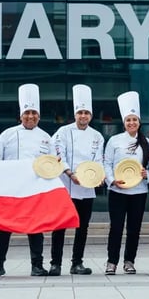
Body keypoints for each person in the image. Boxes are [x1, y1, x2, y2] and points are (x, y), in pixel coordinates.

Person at [0, 83, 57, 277]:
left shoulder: (46, 138)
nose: (30, 117)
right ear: (20, 115)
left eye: (34, 113)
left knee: (35, 228)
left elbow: (52, 164)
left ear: (39, 115)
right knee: (4, 228)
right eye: (27, 113)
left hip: (34, 188)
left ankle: (37, 265)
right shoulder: (7, 135)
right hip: (10, 188)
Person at [50, 84, 105, 276]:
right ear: (75, 114)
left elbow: (98, 160)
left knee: (82, 227)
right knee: (60, 226)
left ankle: (77, 263)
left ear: (91, 115)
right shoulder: (62, 132)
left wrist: (98, 176)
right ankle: (55, 263)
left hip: (86, 187)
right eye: (80, 112)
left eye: (86, 113)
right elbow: (58, 155)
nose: (83, 116)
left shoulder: (97, 136)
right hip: (66, 185)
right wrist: (69, 173)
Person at [103, 91, 149, 275]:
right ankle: (111, 262)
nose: (131, 123)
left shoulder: (146, 143)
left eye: (134, 119)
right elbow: (106, 163)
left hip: (139, 192)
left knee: (134, 229)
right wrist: (111, 180)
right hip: (118, 191)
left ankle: (129, 261)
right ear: (124, 123)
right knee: (115, 228)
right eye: (128, 120)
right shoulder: (114, 141)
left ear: (139, 122)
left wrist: (146, 174)